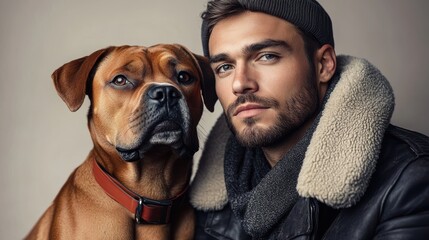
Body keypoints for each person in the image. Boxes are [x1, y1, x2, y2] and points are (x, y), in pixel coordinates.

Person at [189, 0, 429, 239]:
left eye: (267, 56)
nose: (240, 83)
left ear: (323, 65)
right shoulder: (205, 198)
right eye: (224, 67)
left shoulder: (411, 180)